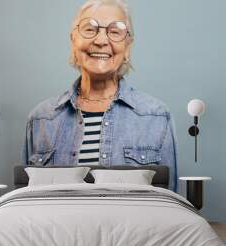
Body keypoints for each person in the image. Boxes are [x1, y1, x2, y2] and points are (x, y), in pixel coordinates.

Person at [22, 0, 178, 192]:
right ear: (73, 40)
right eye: (90, 29)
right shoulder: (41, 119)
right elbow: (26, 202)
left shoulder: (156, 117)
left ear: (128, 46)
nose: (101, 40)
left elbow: (170, 207)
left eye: (115, 32)